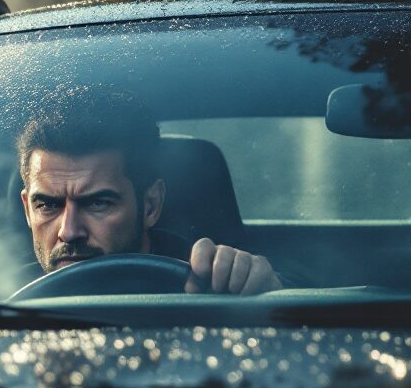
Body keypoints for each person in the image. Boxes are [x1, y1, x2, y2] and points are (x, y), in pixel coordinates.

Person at [16, 86, 281, 295]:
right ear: (28, 209)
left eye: (98, 204)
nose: (69, 231)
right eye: (48, 205)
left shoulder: (211, 283)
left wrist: (266, 291)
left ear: (151, 205)